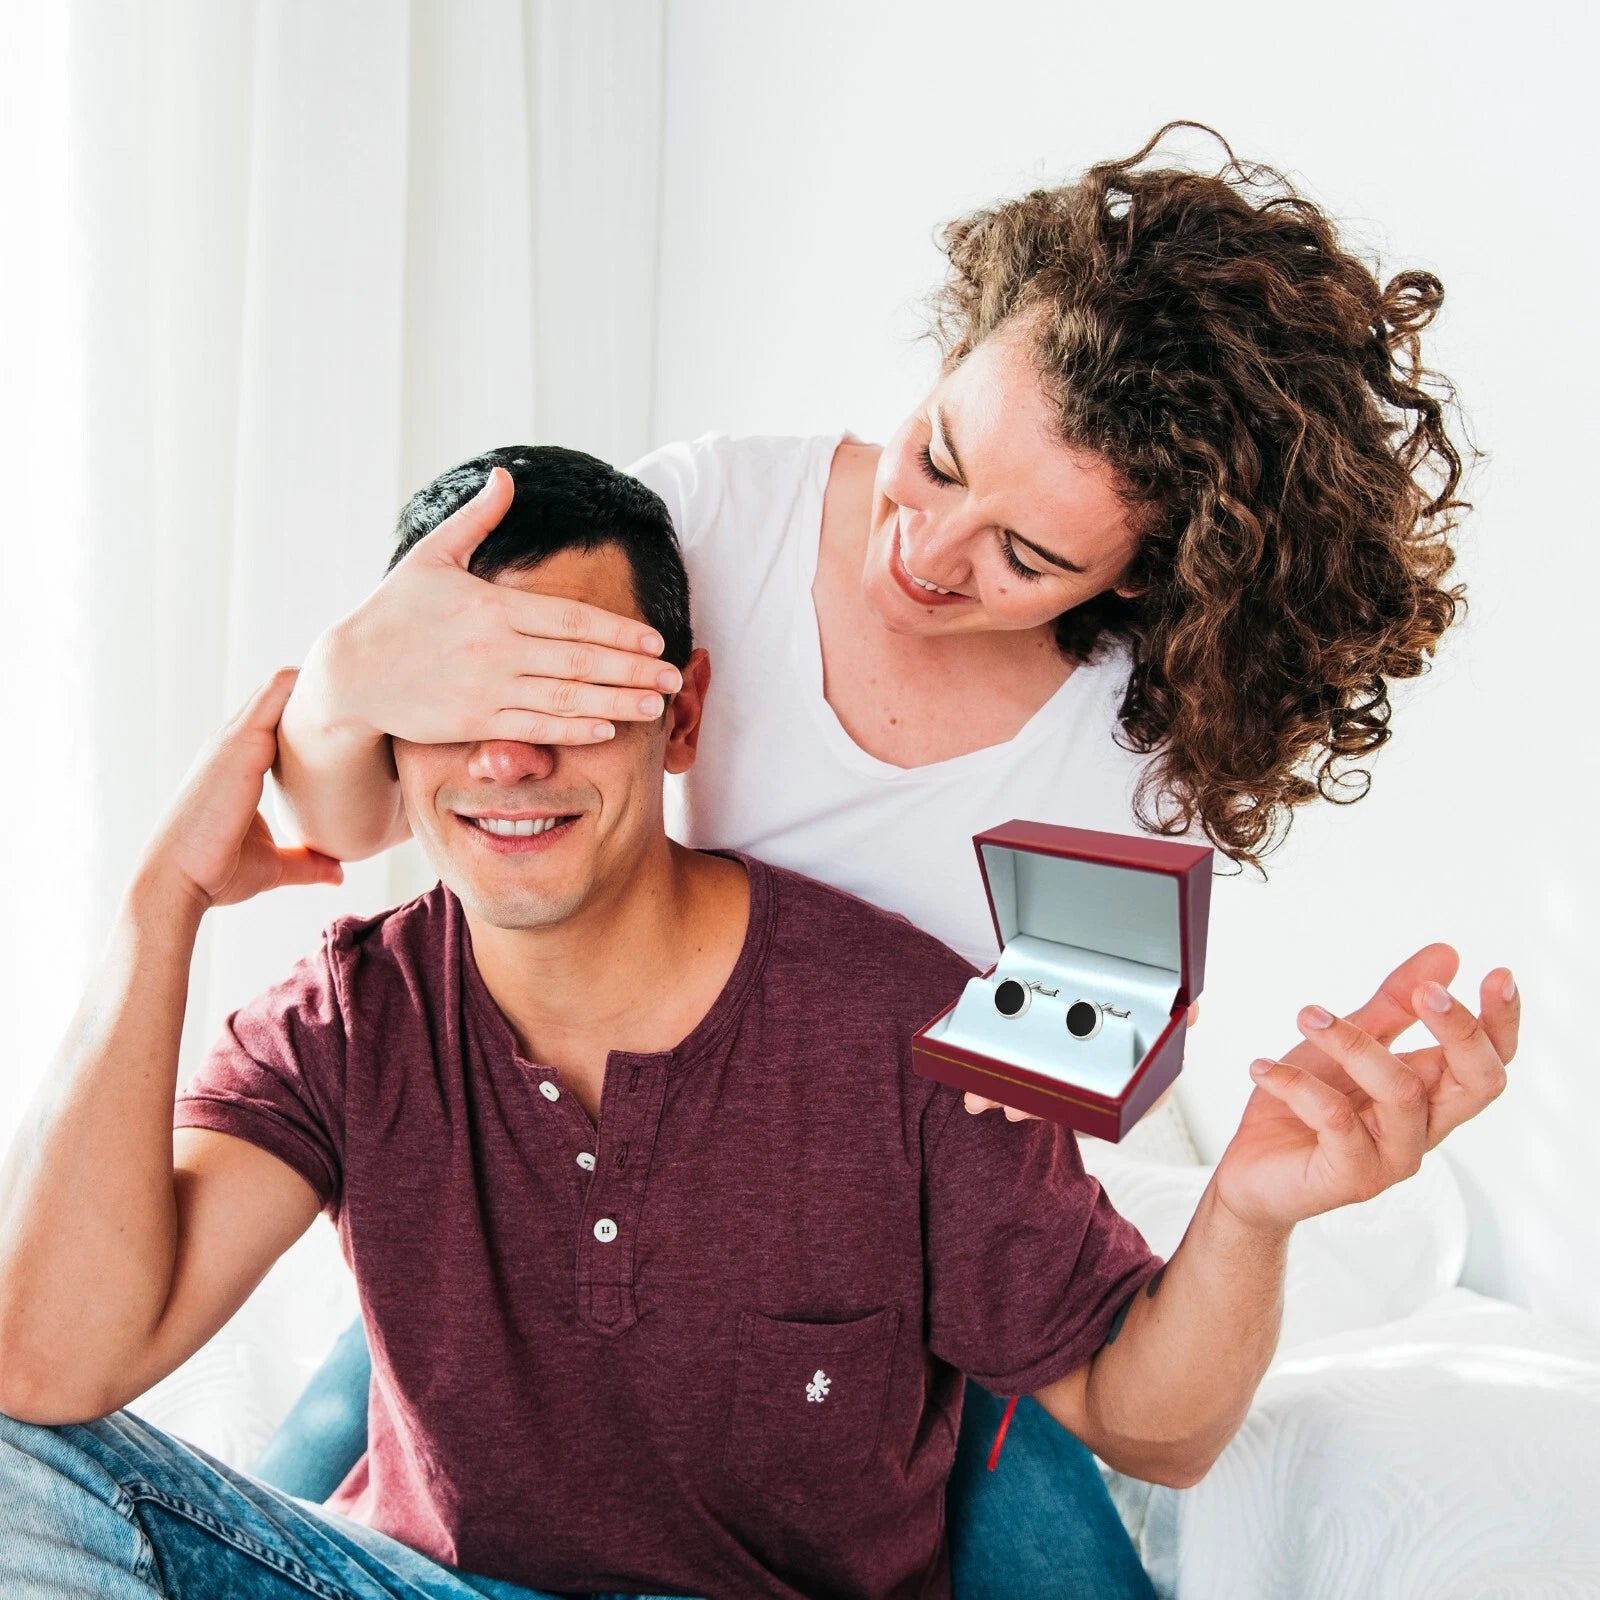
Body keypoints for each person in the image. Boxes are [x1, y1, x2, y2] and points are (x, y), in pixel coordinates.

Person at [263, 121, 1476, 1590]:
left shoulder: (1123, 759)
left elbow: (1053, 1116)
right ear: (951, 354)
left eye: (1028, 557)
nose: (930, 550)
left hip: (869, 1268)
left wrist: (1095, 1044)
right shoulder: (716, 523)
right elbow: (352, 818)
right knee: (272, 1506)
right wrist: (345, 676)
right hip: (574, 1186)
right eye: (939, 456)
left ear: (1148, 573)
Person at [0, 446, 1514, 1600]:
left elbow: (1148, 1421)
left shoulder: (923, 1023)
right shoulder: (354, 1014)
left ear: (683, 715)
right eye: (463, 694)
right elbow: (46, 1373)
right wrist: (158, 905)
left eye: (575, 691)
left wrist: (1249, 1211)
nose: (511, 755)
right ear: (390, 736)